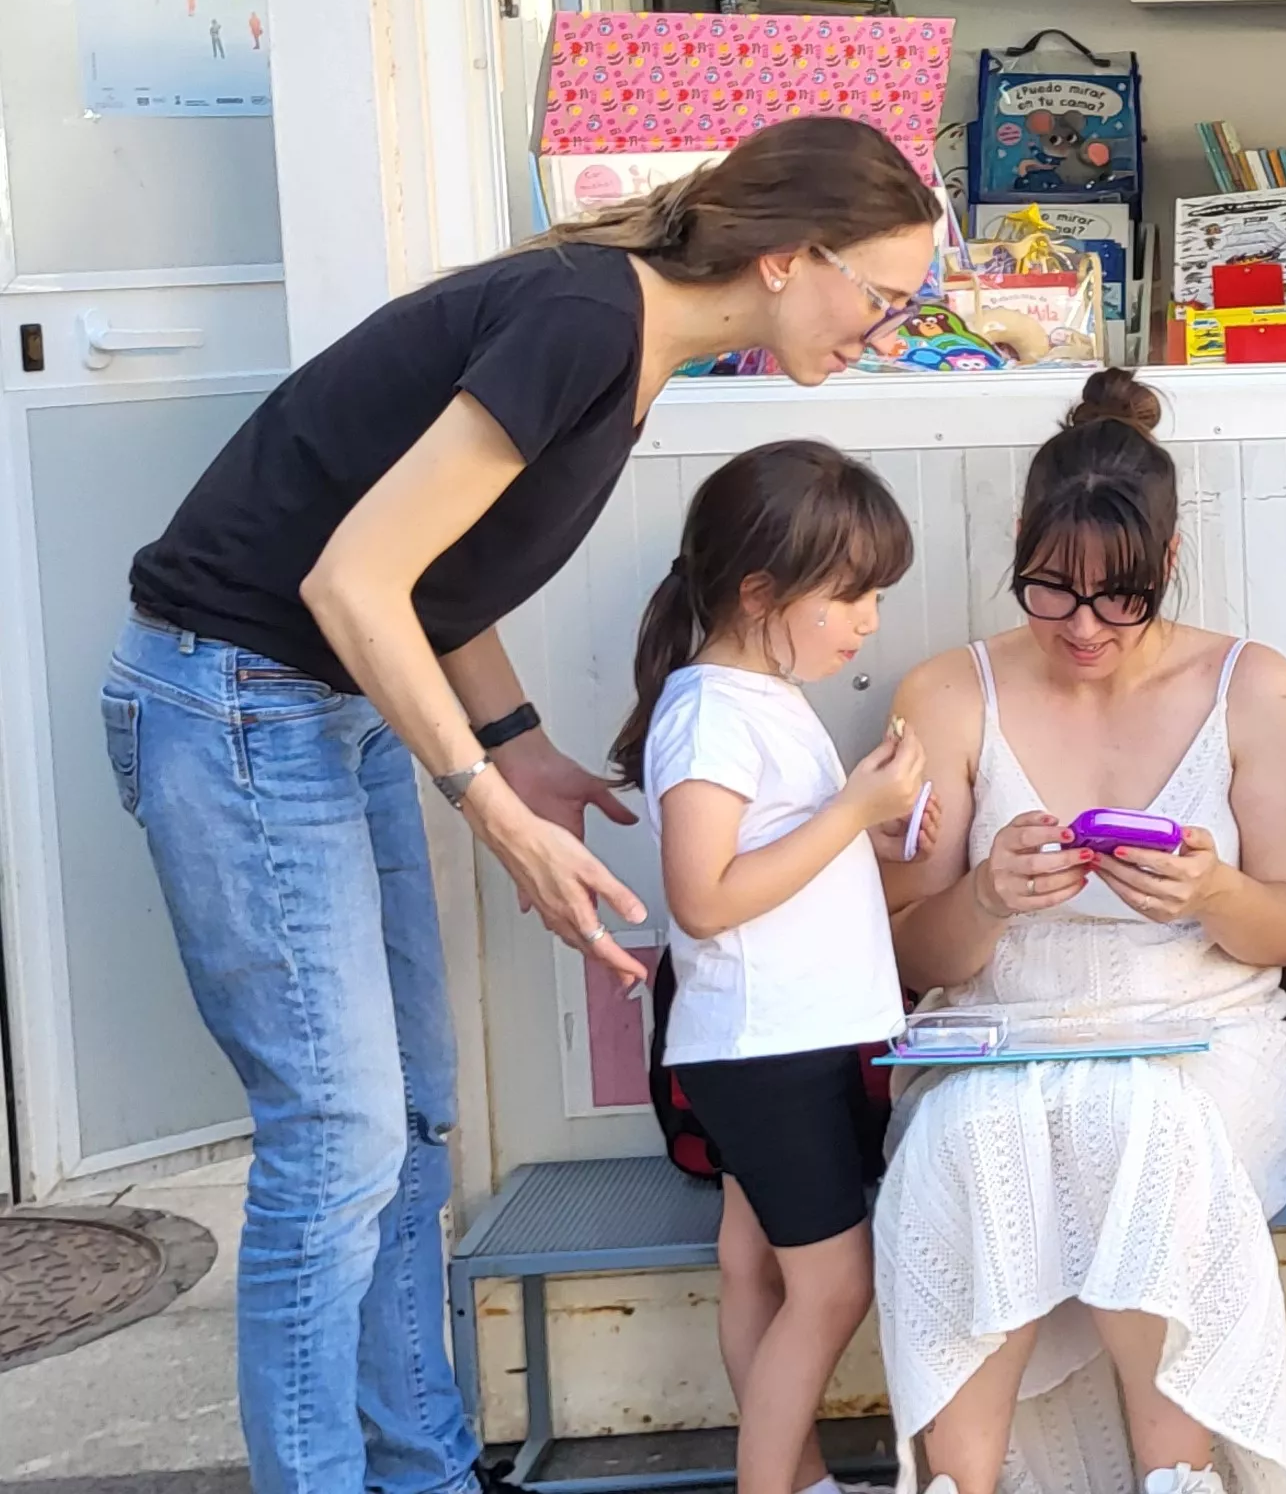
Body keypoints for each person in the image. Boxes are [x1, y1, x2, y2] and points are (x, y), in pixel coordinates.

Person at [100, 115, 943, 1494]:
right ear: (790, 258)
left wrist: (522, 739)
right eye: (883, 295)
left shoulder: (632, 348)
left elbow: (433, 581)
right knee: (340, 1142)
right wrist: (495, 806)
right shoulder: (580, 321)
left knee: (414, 1118)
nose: (888, 327)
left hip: (330, 702)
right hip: (235, 696)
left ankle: (423, 1468)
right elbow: (352, 582)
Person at [873, 368, 1286, 1494]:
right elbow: (902, 954)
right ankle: (956, 1484)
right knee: (956, 1146)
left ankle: (1174, 1479)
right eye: (1052, 593)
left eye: (1119, 598)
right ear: (1020, 544)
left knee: (1145, 1132)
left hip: (1200, 1037)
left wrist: (1212, 894)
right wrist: (983, 898)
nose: (1083, 628)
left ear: (1167, 566)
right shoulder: (948, 691)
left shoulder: (1249, 686)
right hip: (999, 1034)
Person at [611, 440, 926, 1494]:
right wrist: (853, 812)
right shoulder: (711, 711)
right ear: (761, 590)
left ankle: (801, 1479)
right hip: (767, 1043)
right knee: (834, 1286)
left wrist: (866, 834)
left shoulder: (759, 695)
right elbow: (702, 898)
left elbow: (770, 858)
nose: (870, 618)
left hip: (783, 1036)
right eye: (851, 595)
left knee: (756, 1266)